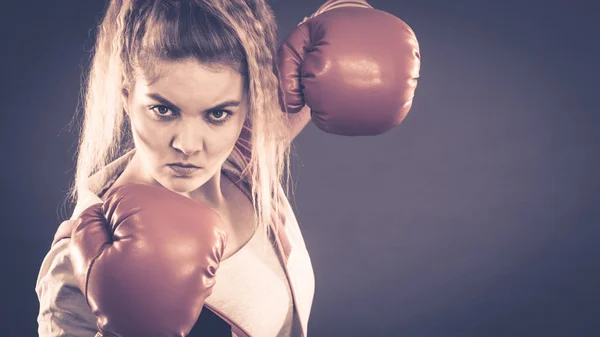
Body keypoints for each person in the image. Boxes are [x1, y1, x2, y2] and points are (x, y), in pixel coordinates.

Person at [34, 0, 420, 336]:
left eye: (217, 113)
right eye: (162, 110)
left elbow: (335, 31)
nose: (188, 145)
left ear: (250, 104)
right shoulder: (82, 258)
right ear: (126, 96)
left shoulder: (243, 157)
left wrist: (347, 14)